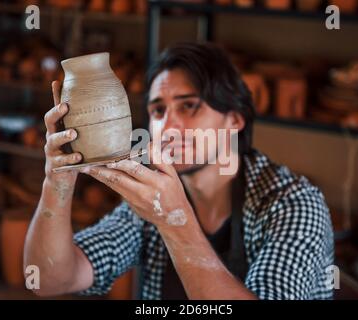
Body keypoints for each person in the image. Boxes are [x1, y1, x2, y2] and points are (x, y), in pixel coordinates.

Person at [24, 43, 334, 300]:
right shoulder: (151, 196)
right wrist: (57, 181)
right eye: (158, 111)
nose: (167, 127)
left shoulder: (293, 203)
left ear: (235, 120)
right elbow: (49, 281)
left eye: (189, 106)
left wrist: (175, 220)